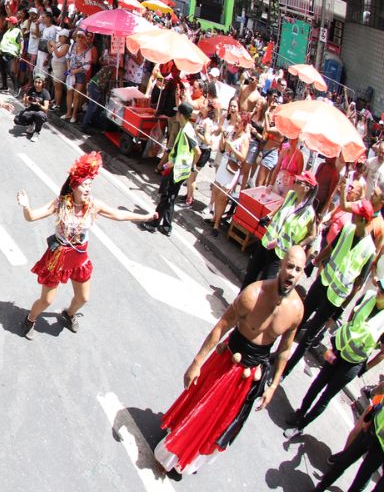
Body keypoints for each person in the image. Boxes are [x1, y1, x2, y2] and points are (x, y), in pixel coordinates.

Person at [154, 246, 305, 475]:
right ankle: (172, 451)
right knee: (201, 409)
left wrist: (273, 385)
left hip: (251, 377)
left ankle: (191, 458)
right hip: (227, 364)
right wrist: (197, 362)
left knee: (219, 422)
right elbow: (222, 326)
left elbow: (284, 349)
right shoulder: (253, 294)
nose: (292, 273)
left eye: (298, 269)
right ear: (281, 265)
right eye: (290, 266)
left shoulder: (296, 310)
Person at [17, 152, 157, 337]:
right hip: (57, 258)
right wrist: (26, 206)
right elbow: (32, 217)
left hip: (79, 258)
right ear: (74, 185)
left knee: (83, 297)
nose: (88, 188)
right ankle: (30, 319)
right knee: (47, 301)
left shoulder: (93, 205)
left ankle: (68, 314)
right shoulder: (59, 203)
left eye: (90, 185)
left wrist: (144, 217)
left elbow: (118, 215)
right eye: (84, 184)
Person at [281, 198, 381, 378]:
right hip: (323, 283)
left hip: (335, 298)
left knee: (309, 336)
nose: (352, 216)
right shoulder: (348, 229)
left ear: (363, 220)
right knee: (298, 320)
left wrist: (343, 307)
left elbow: (358, 283)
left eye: (356, 215)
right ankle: (278, 355)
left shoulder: (370, 250)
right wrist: (315, 261)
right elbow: (330, 248)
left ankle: (286, 370)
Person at [285, 286, 384, 436]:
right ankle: (300, 413)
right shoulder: (369, 295)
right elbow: (353, 314)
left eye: (383, 291)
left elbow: (383, 353)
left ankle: (301, 426)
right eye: (380, 287)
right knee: (318, 383)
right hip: (339, 349)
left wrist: (366, 367)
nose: (379, 291)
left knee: (326, 396)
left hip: (352, 364)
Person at [238, 173, 318, 288]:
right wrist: (269, 216)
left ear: (307, 188)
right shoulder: (291, 195)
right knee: (250, 274)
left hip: (279, 253)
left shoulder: (309, 213)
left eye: (298, 182)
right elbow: (282, 206)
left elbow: (312, 235)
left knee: (265, 284)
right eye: (295, 180)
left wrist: (297, 247)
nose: (294, 183)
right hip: (267, 242)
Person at [141, 102, 200, 236]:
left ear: (181, 115)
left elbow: (197, 151)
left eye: (177, 113)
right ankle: (166, 227)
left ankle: (153, 224)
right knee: (170, 198)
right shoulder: (186, 127)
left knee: (166, 197)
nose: (176, 115)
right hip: (179, 169)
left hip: (177, 170)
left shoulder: (186, 131)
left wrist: (193, 165)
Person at [311, 396, 384, 492]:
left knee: (361, 478)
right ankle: (320, 488)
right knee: (344, 460)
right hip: (371, 429)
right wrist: (369, 417)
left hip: (381, 449)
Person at [13, 75, 52, 140]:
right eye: (35, 82)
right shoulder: (31, 90)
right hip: (31, 110)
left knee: (39, 115)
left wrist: (38, 104)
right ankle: (31, 123)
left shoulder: (45, 93)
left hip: (41, 112)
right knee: (17, 119)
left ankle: (36, 132)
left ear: (43, 83)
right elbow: (25, 105)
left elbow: (46, 108)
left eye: (39, 82)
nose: (37, 84)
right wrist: (25, 99)